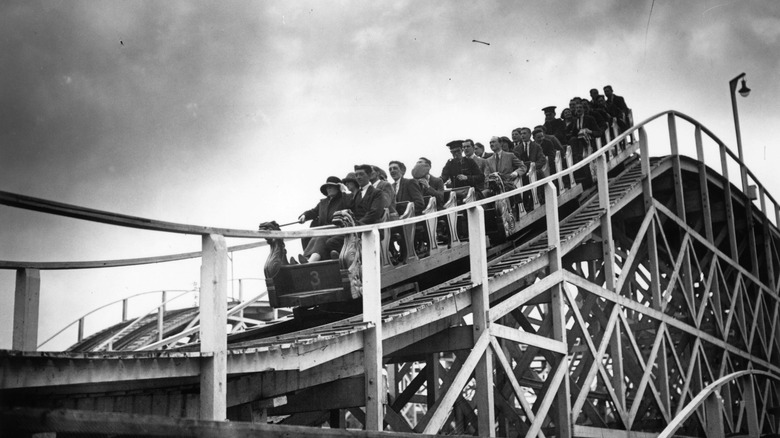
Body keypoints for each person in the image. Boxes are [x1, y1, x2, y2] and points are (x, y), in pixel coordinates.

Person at [325, 164, 387, 257]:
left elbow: (374, 213)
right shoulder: (357, 194)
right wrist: (343, 193)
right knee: (330, 241)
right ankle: (348, 258)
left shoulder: (377, 193)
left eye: (361, 174)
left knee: (333, 242)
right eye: (357, 175)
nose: (358, 177)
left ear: (369, 175)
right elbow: (348, 208)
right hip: (356, 229)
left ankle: (351, 257)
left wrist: (357, 224)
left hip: (369, 229)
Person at [297, 176, 350, 262]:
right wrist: (304, 216)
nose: (328, 188)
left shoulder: (344, 199)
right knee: (312, 237)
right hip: (324, 231)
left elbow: (349, 204)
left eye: (331, 186)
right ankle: (306, 258)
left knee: (320, 238)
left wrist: (343, 192)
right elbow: (313, 212)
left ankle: (311, 261)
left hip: (337, 231)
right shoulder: (323, 203)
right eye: (327, 187)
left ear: (338, 188)